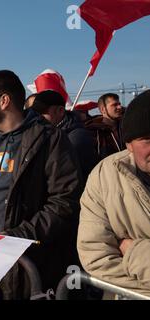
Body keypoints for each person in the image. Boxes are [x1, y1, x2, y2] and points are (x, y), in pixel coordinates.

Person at [0, 70, 83, 299]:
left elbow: (64, 202)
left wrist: (18, 236)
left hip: (20, 268)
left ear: (4, 101)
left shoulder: (50, 139)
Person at [78, 90, 150, 298]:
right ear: (128, 144)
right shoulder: (104, 176)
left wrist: (133, 251)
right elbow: (96, 256)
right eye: (146, 139)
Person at [32, 90, 97, 180]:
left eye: (43, 112)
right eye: (35, 112)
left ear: (61, 111)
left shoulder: (75, 137)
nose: (37, 117)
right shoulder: (45, 132)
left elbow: (72, 177)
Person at [85, 93, 125, 160]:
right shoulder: (94, 132)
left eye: (119, 104)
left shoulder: (125, 125)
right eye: (115, 105)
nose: (119, 107)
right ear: (103, 109)